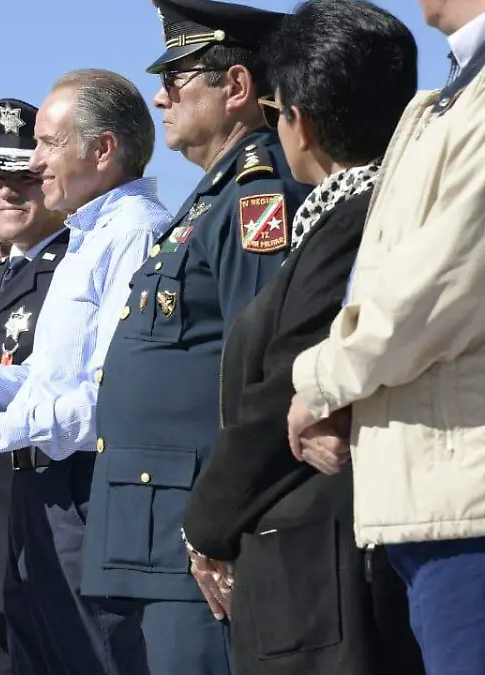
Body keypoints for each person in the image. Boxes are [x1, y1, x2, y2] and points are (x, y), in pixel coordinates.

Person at [177, 2, 423, 673]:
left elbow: (283, 383)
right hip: (308, 560)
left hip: (325, 566)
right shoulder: (340, 217)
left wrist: (205, 523)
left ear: (301, 122)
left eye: (275, 111)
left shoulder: (355, 222)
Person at [0, 75, 169, 674]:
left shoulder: (133, 235)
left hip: (86, 493)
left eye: (48, 145)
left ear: (101, 150)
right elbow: (46, 384)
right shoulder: (85, 238)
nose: (37, 161)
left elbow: (108, 396)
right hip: (40, 495)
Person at [74, 1, 312, 672]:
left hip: (200, 538)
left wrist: (224, 523)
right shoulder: (207, 201)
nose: (159, 95)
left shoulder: (253, 198)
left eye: (177, 79)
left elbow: (265, 369)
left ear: (236, 88)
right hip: (161, 530)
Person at [285, 1, 485, 673]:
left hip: (467, 506)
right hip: (428, 498)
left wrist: (320, 382)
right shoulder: (440, 100)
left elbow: (437, 288)